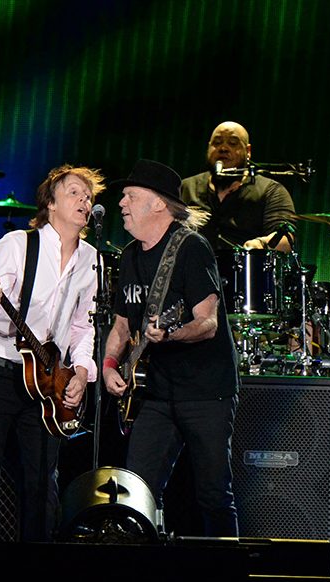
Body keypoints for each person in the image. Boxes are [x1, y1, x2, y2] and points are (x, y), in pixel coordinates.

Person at [0, 163, 106, 542]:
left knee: (43, 480)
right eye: (74, 192)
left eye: (87, 195)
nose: (84, 199)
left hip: (46, 380)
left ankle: (37, 572)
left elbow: (82, 324)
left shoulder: (91, 259)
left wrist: (80, 371)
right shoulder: (17, 245)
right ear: (51, 203)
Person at [102, 158, 240, 537]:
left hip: (205, 392)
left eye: (130, 196)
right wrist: (110, 365)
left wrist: (173, 334)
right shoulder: (129, 256)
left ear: (158, 203)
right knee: (137, 492)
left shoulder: (192, 249)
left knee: (213, 493)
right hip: (156, 393)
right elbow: (120, 325)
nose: (121, 204)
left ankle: (229, 576)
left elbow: (207, 323)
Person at [181, 121, 296, 253]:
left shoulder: (270, 191)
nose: (223, 148)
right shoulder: (185, 188)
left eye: (233, 143)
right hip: (191, 268)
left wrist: (260, 244)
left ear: (248, 151)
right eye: (217, 143)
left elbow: (286, 240)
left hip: (244, 270)